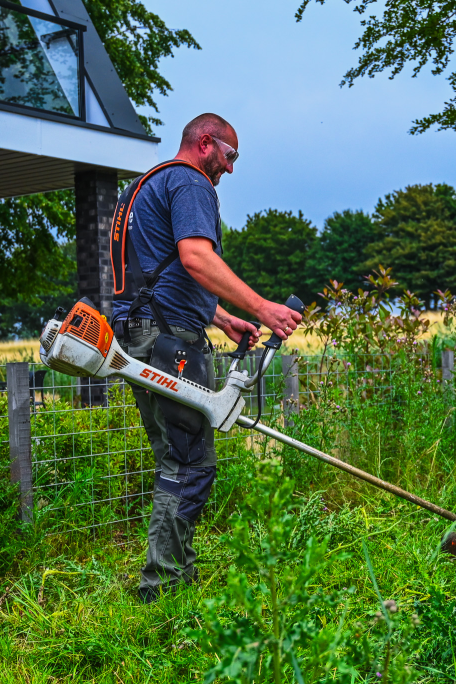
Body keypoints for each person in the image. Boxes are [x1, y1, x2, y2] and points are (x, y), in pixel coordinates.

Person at [112, 112, 303, 603]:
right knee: (191, 466)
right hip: (170, 341)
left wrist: (220, 318)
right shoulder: (192, 183)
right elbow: (195, 257)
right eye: (230, 155)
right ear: (205, 142)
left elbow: (163, 270)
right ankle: (164, 589)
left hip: (137, 334)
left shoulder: (141, 187)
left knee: (175, 461)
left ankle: (172, 579)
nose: (231, 168)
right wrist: (262, 308)